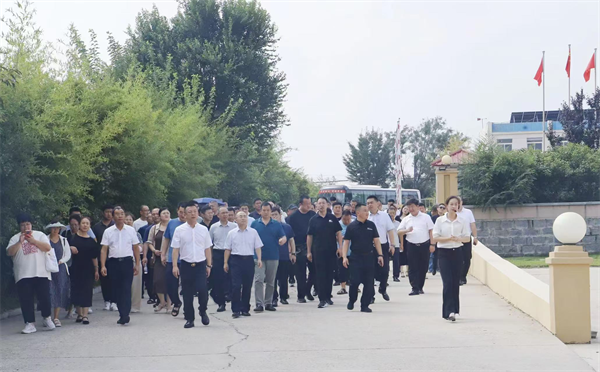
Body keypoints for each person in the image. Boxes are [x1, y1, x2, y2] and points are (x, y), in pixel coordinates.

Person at [6, 213, 55, 334]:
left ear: (31, 224)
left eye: (27, 224)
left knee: (44, 297)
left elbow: (47, 248)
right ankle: (29, 323)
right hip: (23, 274)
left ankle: (47, 318)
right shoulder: (15, 238)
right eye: (22, 225)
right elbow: (9, 252)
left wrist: (33, 241)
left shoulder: (40, 235)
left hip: (41, 272)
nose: (25, 227)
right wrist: (20, 242)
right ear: (19, 226)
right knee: (26, 299)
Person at [171, 201, 213, 329]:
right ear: (185, 214)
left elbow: (207, 248)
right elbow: (175, 249)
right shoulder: (179, 230)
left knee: (202, 290)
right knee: (187, 293)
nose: (193, 214)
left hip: (200, 264)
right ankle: (190, 318)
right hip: (186, 265)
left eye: (195, 211)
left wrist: (209, 265)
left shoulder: (203, 229)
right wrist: (174, 266)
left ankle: (203, 310)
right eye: (190, 212)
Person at [100, 206, 141, 325]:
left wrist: (137, 264)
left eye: (122, 213)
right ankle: (122, 313)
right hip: (113, 262)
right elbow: (104, 249)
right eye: (117, 214)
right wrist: (103, 265)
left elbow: (135, 248)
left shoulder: (130, 230)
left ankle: (125, 314)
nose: (120, 216)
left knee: (126, 288)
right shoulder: (108, 231)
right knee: (117, 289)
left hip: (127, 261)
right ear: (113, 217)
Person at [433, 196, 471, 321]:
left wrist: (458, 239)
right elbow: (435, 237)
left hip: (457, 253)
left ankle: (455, 310)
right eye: (452, 204)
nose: (454, 206)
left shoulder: (462, 220)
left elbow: (467, 238)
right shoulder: (440, 221)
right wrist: (448, 239)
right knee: (447, 283)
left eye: (456, 204)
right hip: (444, 253)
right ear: (447, 206)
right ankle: (447, 311)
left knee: (455, 283)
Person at [342, 204, 384, 313]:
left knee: (369, 283)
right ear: (358, 213)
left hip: (369, 257)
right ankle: (352, 300)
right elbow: (346, 242)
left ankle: (364, 305)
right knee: (354, 282)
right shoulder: (351, 226)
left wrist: (380, 255)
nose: (367, 212)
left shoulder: (371, 225)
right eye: (365, 210)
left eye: (367, 211)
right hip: (356, 257)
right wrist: (344, 257)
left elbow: (376, 241)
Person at [224, 211, 263, 318]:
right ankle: (235, 309)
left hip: (249, 260)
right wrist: (225, 262)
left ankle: (245, 308)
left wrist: (259, 259)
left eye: (244, 216)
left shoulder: (253, 232)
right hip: (236, 260)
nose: (243, 218)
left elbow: (258, 246)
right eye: (240, 216)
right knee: (236, 285)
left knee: (247, 285)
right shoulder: (232, 233)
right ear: (236, 219)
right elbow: (227, 249)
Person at [307, 197, 343, 309]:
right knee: (320, 274)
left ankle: (328, 296)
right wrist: (309, 251)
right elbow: (309, 236)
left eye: (323, 203)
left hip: (331, 250)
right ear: (316, 205)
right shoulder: (313, 219)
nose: (321, 205)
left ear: (328, 205)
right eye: (319, 203)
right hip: (318, 251)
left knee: (330, 274)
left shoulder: (332, 218)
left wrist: (340, 247)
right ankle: (322, 299)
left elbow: (338, 233)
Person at [251, 202, 286, 312]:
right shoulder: (255, 224)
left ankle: (268, 302)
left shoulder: (276, 224)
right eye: (264, 210)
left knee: (271, 281)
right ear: (260, 211)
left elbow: (283, 236)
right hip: (258, 257)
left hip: (273, 256)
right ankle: (259, 303)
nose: (266, 212)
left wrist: (282, 240)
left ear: (271, 212)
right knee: (259, 280)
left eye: (268, 210)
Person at [397, 199, 434, 296]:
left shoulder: (426, 217)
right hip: (411, 245)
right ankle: (414, 287)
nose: (411, 209)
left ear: (418, 206)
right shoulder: (406, 219)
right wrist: (407, 230)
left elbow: (431, 231)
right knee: (412, 267)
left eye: (413, 206)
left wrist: (432, 244)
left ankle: (420, 286)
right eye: (409, 207)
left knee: (423, 267)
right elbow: (399, 231)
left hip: (424, 245)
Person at [285, 195, 316, 303]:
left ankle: (307, 290)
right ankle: (301, 295)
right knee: (300, 273)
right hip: (298, 247)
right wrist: (291, 251)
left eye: (310, 203)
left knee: (315, 271)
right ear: (300, 204)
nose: (309, 206)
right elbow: (289, 235)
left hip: (312, 247)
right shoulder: (292, 217)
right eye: (306, 204)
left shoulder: (313, 215)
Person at [69, 216, 99, 325]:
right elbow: (65, 252)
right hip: (75, 268)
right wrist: (70, 248)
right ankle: (79, 314)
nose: (85, 225)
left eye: (87, 223)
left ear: (89, 226)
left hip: (88, 268)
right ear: (79, 224)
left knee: (87, 290)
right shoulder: (72, 238)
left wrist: (96, 270)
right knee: (76, 290)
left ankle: (85, 315)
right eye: (83, 223)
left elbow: (94, 257)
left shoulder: (92, 241)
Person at [366, 195, 395, 302]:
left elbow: (390, 231)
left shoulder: (384, 216)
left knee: (385, 270)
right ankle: (371, 295)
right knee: (370, 272)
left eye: (371, 202)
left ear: (378, 203)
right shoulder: (365, 216)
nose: (369, 205)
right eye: (368, 203)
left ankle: (382, 289)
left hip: (383, 246)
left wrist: (392, 245)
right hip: (369, 247)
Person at [209, 207, 237, 312]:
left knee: (232, 277)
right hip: (218, 253)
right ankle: (221, 303)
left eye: (227, 213)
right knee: (218, 278)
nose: (225, 215)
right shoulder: (214, 227)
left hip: (232, 252)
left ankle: (231, 298)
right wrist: (210, 258)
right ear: (218, 215)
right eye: (223, 213)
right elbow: (209, 244)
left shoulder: (234, 226)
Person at [160, 202, 186, 317]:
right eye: (181, 212)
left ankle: (188, 308)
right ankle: (176, 302)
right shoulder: (172, 223)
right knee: (170, 284)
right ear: (177, 211)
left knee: (187, 285)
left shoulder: (195, 224)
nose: (183, 215)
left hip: (187, 259)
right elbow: (166, 239)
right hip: (172, 259)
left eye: (185, 212)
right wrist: (163, 254)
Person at [46, 220, 71, 327]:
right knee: (49, 291)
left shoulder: (64, 240)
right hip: (48, 268)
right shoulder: (45, 240)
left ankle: (56, 317)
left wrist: (61, 261)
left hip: (60, 267)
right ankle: (47, 317)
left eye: (57, 228)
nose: (55, 230)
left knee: (60, 290)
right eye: (53, 228)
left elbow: (67, 254)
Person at [147, 207, 171, 312]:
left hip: (170, 257)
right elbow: (149, 242)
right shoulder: (154, 228)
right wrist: (154, 250)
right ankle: (162, 302)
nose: (166, 215)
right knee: (157, 280)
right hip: (157, 257)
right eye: (164, 213)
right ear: (159, 216)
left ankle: (169, 304)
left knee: (170, 281)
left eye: (168, 213)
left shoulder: (173, 226)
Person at [92, 204, 115, 311]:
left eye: (111, 212)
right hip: (102, 256)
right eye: (107, 212)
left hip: (114, 255)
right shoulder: (97, 227)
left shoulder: (116, 225)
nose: (109, 214)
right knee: (104, 280)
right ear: (103, 213)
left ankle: (114, 301)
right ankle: (107, 301)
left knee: (114, 279)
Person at [271, 207, 295, 306]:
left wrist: (293, 253)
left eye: (276, 214)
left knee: (283, 278)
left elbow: (291, 240)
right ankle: (273, 298)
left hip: (284, 256)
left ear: (280, 215)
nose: (274, 217)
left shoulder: (286, 227)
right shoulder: (267, 227)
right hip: (271, 256)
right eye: (272, 215)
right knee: (272, 279)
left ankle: (283, 297)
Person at [125, 212, 144, 313]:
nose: (128, 222)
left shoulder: (137, 234)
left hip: (135, 259)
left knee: (136, 284)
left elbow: (140, 246)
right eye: (126, 219)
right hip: (124, 259)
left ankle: (135, 306)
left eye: (130, 220)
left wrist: (135, 248)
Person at [457, 197, 478, 285]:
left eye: (459, 202)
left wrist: (475, 237)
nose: (457, 204)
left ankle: (463, 276)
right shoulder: (451, 213)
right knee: (458, 259)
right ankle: (458, 277)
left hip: (466, 238)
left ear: (462, 202)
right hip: (455, 239)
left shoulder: (468, 212)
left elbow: (472, 225)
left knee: (467, 258)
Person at [336, 210, 353, 295]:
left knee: (353, 270)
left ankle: (354, 286)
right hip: (342, 251)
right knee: (342, 270)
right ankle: (343, 287)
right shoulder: (337, 225)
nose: (346, 221)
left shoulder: (354, 224)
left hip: (353, 251)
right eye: (344, 219)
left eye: (348, 220)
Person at [387, 204, 402, 282]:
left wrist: (401, 244)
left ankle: (396, 276)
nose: (392, 215)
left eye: (393, 213)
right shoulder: (385, 223)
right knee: (386, 262)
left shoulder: (398, 223)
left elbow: (400, 235)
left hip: (396, 244)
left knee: (396, 262)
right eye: (390, 214)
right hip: (387, 244)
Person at [428, 204, 443, 276]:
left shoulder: (445, 218)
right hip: (435, 238)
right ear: (437, 209)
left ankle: (439, 268)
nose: (442, 209)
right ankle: (433, 269)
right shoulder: (433, 218)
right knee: (434, 255)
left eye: (443, 208)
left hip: (443, 239)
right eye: (441, 208)